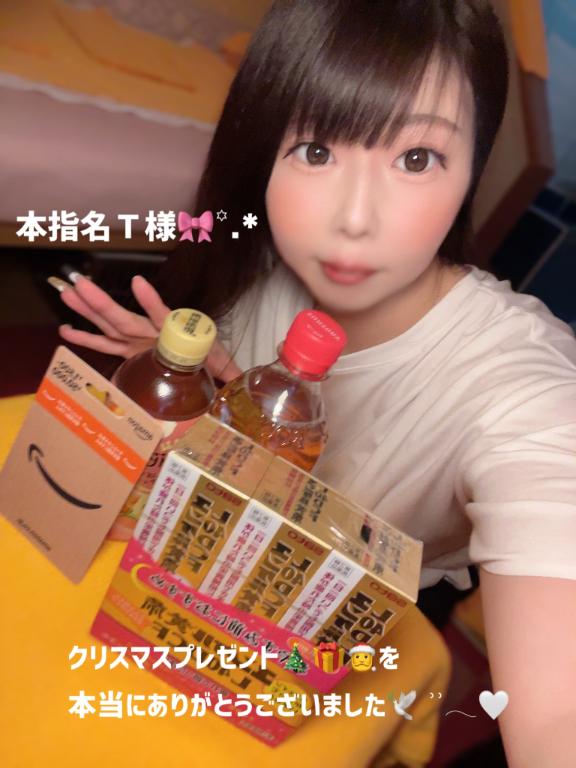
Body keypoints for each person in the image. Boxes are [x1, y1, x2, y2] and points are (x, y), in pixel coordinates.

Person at [57, 2, 576, 765]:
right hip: (193, 584)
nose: (354, 219)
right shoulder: (260, 257)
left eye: (417, 158)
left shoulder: (523, 386)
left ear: (473, 168)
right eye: (316, 150)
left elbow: (557, 713)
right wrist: (199, 385)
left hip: (333, 638)